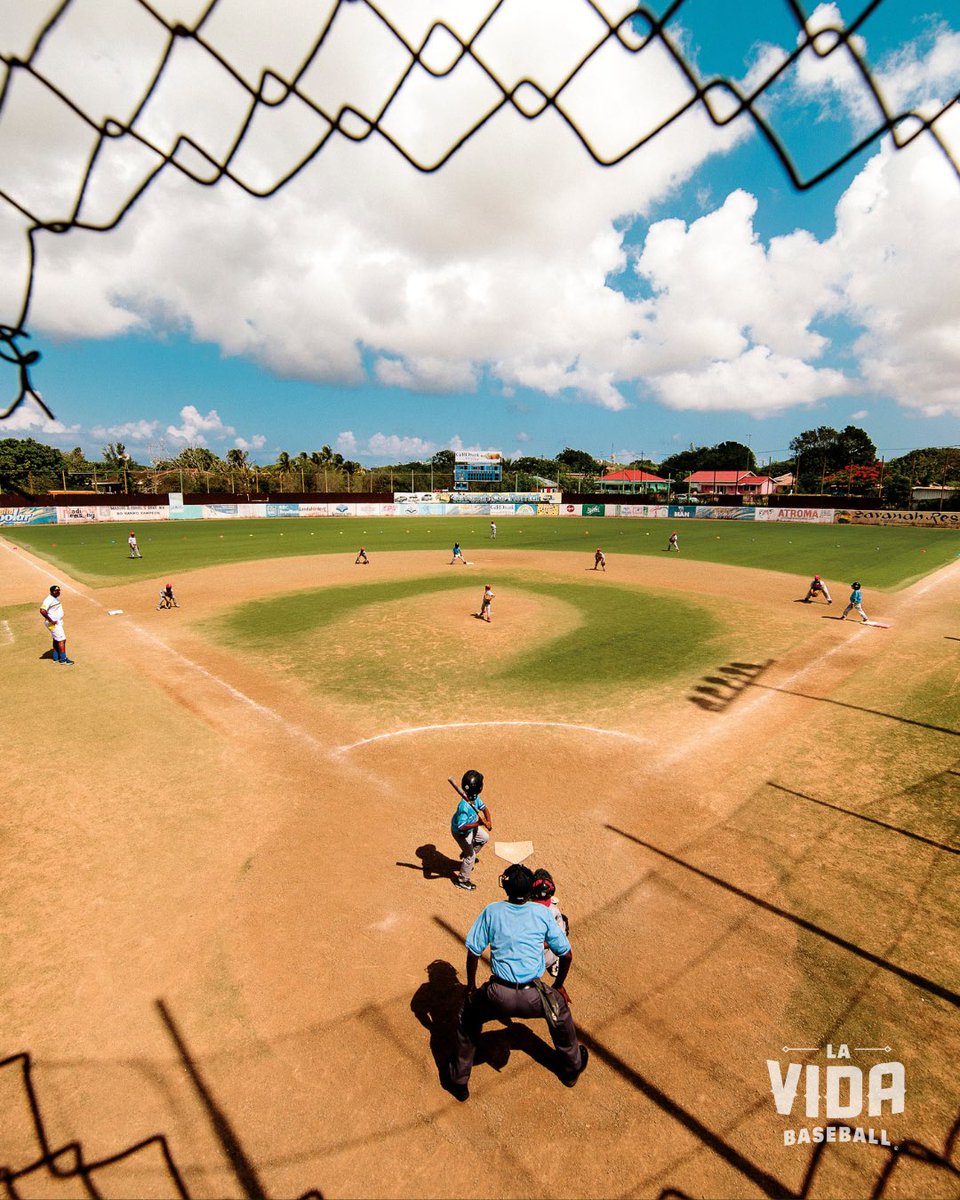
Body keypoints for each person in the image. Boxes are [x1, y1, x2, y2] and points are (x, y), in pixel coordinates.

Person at [445, 863, 588, 1101]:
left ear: (506, 888)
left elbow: (473, 951)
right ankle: (571, 1068)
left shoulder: (492, 911)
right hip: (534, 996)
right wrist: (558, 985)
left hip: (497, 994)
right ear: (530, 891)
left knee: (468, 1017)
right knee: (561, 1015)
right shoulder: (541, 913)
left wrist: (470, 987)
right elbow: (567, 954)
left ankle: (459, 1081)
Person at [450, 769, 491, 891]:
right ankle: (462, 881)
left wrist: (489, 821)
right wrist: (478, 823)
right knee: (471, 856)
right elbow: (461, 826)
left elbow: (485, 809)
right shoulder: (464, 806)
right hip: (461, 833)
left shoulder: (475, 798)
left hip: (471, 828)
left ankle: (466, 852)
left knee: (484, 838)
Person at [530, 869, 569, 978]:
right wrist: (541, 944)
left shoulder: (523, 907)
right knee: (564, 923)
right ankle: (553, 963)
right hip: (543, 961)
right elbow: (559, 939)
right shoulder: (553, 910)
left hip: (522, 958)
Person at [39, 584, 74, 664]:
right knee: (62, 640)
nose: (58, 592)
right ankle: (63, 659)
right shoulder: (48, 600)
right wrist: (51, 620)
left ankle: (55, 657)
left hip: (57, 623)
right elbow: (42, 610)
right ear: (51, 592)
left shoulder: (55, 598)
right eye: (56, 591)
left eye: (59, 590)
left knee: (56, 639)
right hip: (54, 624)